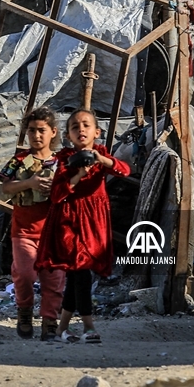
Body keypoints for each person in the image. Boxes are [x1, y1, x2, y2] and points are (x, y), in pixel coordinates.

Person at [35, 108, 131, 344]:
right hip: (69, 221)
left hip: (94, 222)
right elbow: (56, 195)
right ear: (68, 134)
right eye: (75, 127)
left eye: (86, 125)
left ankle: (62, 329)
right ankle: (88, 326)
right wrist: (77, 174)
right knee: (80, 272)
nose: (81, 130)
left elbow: (124, 170)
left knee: (79, 275)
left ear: (96, 131)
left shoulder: (101, 154)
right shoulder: (63, 159)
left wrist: (101, 159)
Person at [0, 107, 65, 341]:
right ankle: (24, 311)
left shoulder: (62, 162)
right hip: (24, 231)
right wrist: (30, 183)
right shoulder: (19, 161)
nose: (37, 135)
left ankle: (49, 322)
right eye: (32, 130)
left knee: (53, 279)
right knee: (25, 275)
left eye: (42, 131)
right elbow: (4, 189)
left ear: (53, 132)